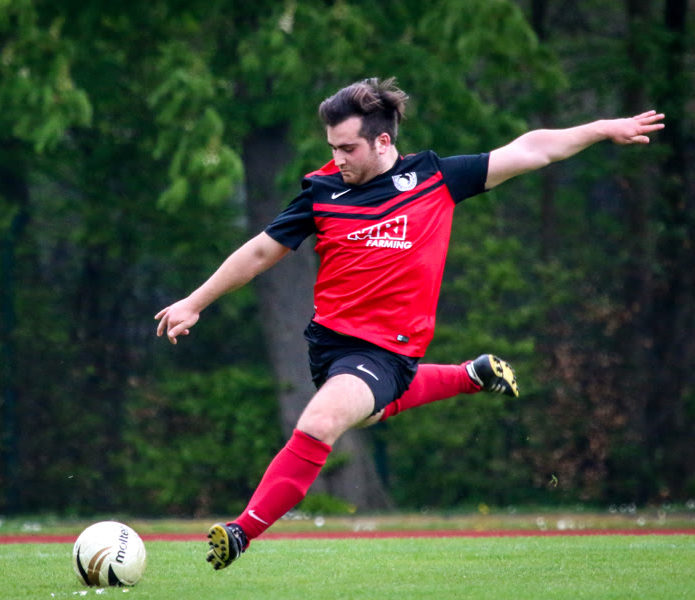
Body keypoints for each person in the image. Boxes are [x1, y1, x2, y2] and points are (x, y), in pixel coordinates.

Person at [154, 77, 664, 570]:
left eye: (348, 148)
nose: (338, 158)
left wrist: (602, 127)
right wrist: (196, 301)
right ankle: (470, 375)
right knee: (363, 414)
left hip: (388, 351)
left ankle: (241, 531)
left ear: (382, 141)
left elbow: (531, 150)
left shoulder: (434, 178)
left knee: (320, 422)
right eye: (333, 147)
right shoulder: (322, 192)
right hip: (328, 346)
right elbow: (262, 250)